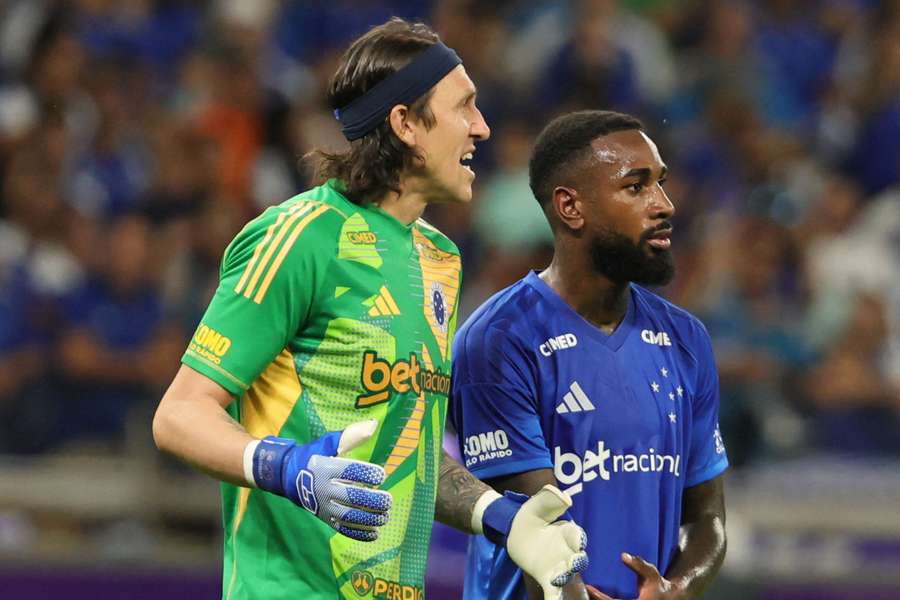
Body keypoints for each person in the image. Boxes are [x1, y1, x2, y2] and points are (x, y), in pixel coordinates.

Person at [152, 18, 587, 600]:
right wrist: (289, 467)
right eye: (464, 107)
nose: (482, 128)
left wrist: (498, 517)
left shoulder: (441, 259)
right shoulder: (299, 238)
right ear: (405, 123)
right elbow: (179, 416)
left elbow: (410, 444)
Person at [450, 110, 729, 600]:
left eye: (660, 184)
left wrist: (678, 587)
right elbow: (538, 525)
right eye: (636, 187)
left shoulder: (685, 340)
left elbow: (706, 516)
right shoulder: (500, 339)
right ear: (570, 207)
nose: (664, 205)